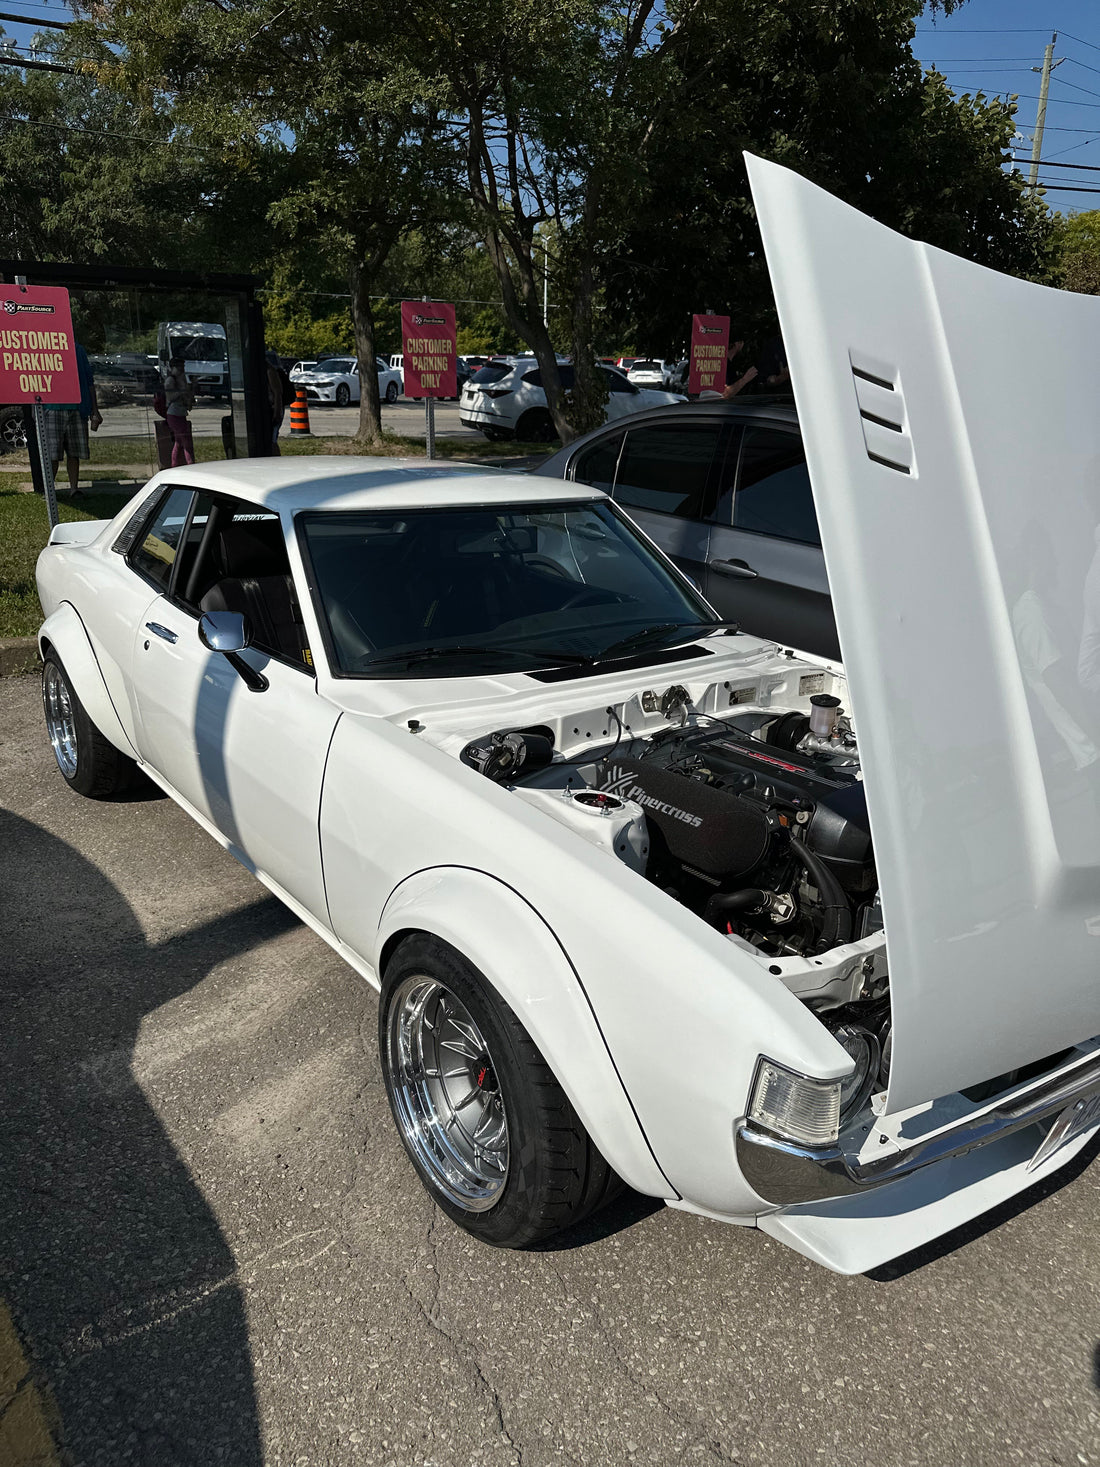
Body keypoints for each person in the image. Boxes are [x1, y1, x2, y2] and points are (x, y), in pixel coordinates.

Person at [42, 342, 101, 498]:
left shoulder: (77, 349)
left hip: (77, 407)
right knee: (52, 454)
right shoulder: (46, 347)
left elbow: (89, 381)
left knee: (74, 453)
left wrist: (95, 410)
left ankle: (74, 488)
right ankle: (49, 489)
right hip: (53, 408)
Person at [163, 356, 195, 466]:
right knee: (186, 441)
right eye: (179, 367)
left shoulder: (181, 379)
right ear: (173, 368)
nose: (182, 370)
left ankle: (175, 464)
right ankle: (190, 463)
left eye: (183, 367)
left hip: (180, 413)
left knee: (179, 442)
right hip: (174, 414)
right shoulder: (170, 380)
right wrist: (182, 391)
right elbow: (170, 397)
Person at [266, 351, 285, 455]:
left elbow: (278, 393)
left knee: (273, 440)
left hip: (275, 409)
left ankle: (275, 459)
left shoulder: (271, 372)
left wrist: (277, 412)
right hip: (272, 409)